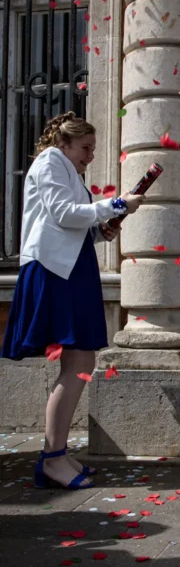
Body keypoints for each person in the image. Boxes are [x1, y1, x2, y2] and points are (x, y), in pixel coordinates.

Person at [1, 111, 145, 489]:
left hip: (69, 268)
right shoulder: (50, 161)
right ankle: (51, 457)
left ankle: (58, 453)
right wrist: (115, 205)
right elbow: (63, 215)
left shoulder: (65, 169)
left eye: (93, 149)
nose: (90, 156)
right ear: (63, 143)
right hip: (54, 272)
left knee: (81, 360)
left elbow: (66, 225)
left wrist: (102, 232)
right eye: (86, 147)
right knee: (78, 359)